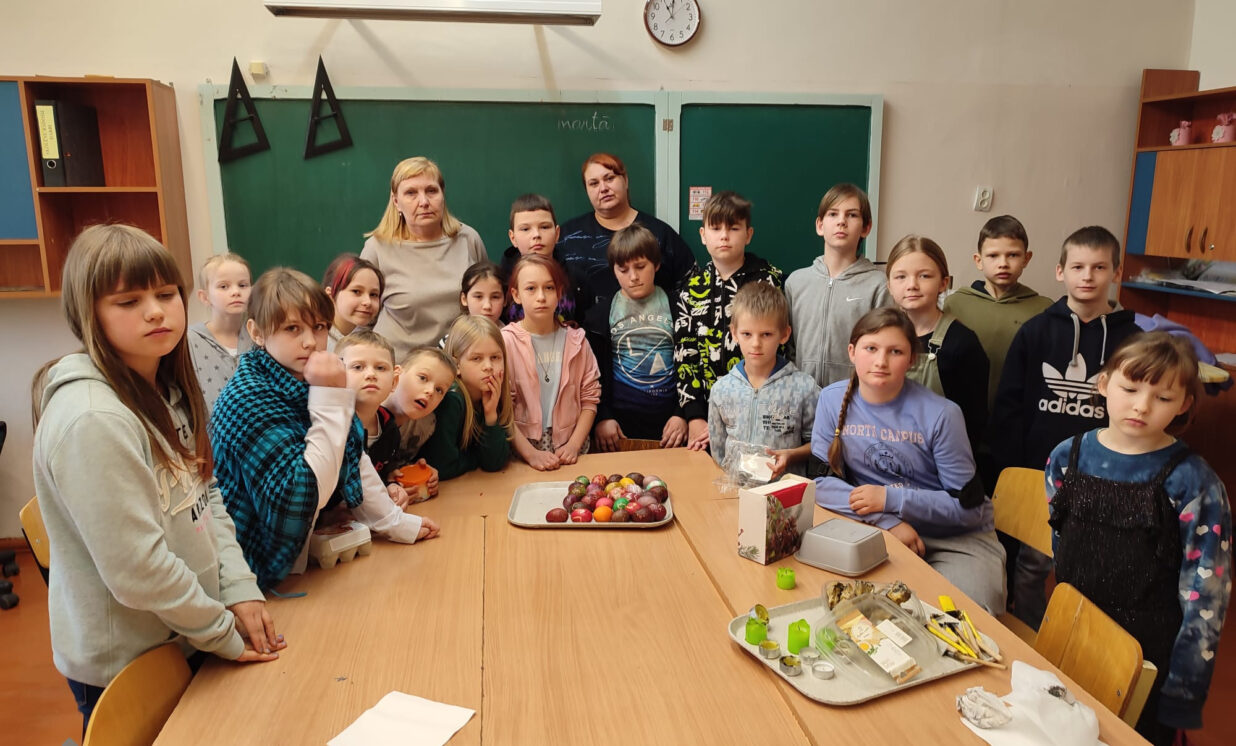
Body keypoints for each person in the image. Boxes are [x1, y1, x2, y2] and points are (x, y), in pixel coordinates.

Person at [31, 224, 283, 732]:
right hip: (131, 659)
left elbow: (205, 494)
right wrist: (219, 630)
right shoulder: (93, 420)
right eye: (128, 301)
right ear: (89, 313)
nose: (154, 311)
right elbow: (137, 571)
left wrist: (238, 586)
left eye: (165, 295)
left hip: (185, 629)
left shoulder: (164, 386)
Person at [1045, 332, 1231, 745]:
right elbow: (1059, 541)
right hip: (1075, 627)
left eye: (1163, 397)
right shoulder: (1065, 456)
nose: (1142, 406)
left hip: (1148, 651)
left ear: (1184, 404)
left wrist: (1183, 689)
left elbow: (1206, 595)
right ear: (1103, 383)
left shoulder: (1194, 482)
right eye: (1130, 389)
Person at [211, 267, 439, 590]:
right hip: (250, 574)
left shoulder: (299, 376)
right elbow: (299, 499)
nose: (310, 342)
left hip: (303, 564)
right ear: (257, 332)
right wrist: (330, 397)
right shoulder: (247, 397)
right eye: (292, 328)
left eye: (319, 327)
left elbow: (351, 453)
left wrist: (395, 523)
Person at [991, 225, 1141, 628]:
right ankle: (1032, 634)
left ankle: (1082, 645)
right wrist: (1015, 467)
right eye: (1077, 267)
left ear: (1117, 272)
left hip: (1106, 478)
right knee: (1032, 565)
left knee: (1092, 571)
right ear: (1060, 272)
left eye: (1099, 267)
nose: (1087, 276)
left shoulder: (1133, 340)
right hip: (1042, 474)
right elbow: (1009, 408)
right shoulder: (1035, 331)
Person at [811, 307, 1006, 614]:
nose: (881, 361)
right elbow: (821, 484)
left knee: (964, 618)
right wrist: (887, 521)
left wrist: (890, 498)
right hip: (876, 525)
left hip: (955, 538)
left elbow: (968, 510)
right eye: (871, 348)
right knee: (854, 612)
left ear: (912, 359)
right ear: (852, 352)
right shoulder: (831, 400)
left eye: (895, 351)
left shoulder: (943, 415)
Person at [943, 214, 1052, 489]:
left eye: (1013, 255)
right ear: (978, 260)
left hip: (1016, 429)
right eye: (993, 255)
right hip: (962, 427)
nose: (1003, 263)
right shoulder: (956, 304)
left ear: (1027, 258)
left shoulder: (1043, 310)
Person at [676, 190, 783, 452]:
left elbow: (779, 348)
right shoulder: (691, 289)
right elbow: (684, 354)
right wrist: (694, 416)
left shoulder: (768, 282)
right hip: (704, 419)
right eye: (716, 228)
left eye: (733, 228)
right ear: (703, 235)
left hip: (757, 413)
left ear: (748, 234)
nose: (724, 236)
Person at [362, 156, 487, 360]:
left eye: (431, 191)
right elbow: (361, 318)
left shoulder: (468, 239)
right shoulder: (377, 248)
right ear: (396, 201)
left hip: (458, 366)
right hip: (397, 367)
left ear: (442, 194)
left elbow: (487, 304)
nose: (424, 202)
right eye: (411, 193)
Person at [884, 235, 989, 453]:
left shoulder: (962, 343)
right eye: (901, 277)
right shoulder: (880, 338)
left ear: (943, 283)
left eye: (924, 276)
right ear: (889, 286)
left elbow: (972, 424)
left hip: (939, 460)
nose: (912, 285)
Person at [585, 224, 685, 450]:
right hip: (619, 424)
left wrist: (682, 413)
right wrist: (603, 417)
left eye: (640, 267)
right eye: (623, 270)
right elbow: (592, 372)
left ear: (656, 264)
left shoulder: (680, 307)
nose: (633, 277)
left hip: (671, 422)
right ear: (614, 270)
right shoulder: (599, 316)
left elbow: (692, 362)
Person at [556, 152, 696, 312]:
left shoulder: (659, 234)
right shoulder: (567, 237)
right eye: (594, 183)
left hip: (653, 325)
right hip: (584, 327)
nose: (603, 188)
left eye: (610, 178)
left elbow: (693, 288)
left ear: (626, 180)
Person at [785, 183, 892, 388]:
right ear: (820, 225)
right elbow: (788, 347)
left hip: (854, 396)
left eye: (852, 215)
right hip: (802, 398)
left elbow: (882, 348)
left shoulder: (878, 286)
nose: (841, 221)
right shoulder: (796, 283)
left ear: (866, 228)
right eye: (833, 214)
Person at [708, 282, 818, 478]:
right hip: (734, 491)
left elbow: (819, 444)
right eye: (747, 334)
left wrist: (791, 456)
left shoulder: (804, 387)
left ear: (784, 334)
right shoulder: (721, 390)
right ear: (734, 333)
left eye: (766, 334)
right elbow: (718, 452)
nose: (756, 344)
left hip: (784, 492)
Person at [502, 255, 601, 471]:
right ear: (516, 295)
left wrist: (573, 445)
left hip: (572, 449)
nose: (541, 297)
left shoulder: (577, 341)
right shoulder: (505, 342)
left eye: (549, 288)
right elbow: (502, 408)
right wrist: (531, 454)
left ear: (559, 292)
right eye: (531, 289)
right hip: (522, 451)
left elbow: (590, 399)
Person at [421, 315, 514, 480]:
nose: (488, 367)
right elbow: (443, 467)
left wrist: (491, 415)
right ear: (456, 365)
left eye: (495, 357)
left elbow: (494, 463)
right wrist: (476, 458)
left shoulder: (492, 392)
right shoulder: (451, 400)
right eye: (476, 358)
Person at [336, 330, 407, 502]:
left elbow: (381, 476)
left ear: (394, 381)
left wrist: (391, 487)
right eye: (358, 367)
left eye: (380, 368)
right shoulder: (333, 426)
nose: (371, 375)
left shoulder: (390, 428)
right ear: (337, 376)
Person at [380, 346, 461, 496]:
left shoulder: (425, 425)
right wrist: (385, 489)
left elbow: (392, 468)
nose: (430, 391)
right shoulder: (367, 417)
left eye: (439, 390)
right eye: (423, 378)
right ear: (396, 374)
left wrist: (418, 471)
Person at [500, 193, 581, 323]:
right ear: (513, 238)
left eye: (544, 227)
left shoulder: (575, 277)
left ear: (557, 234)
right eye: (525, 229)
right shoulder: (501, 281)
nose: (536, 235)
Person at [187, 252, 254, 411]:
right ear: (204, 297)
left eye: (243, 285)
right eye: (224, 286)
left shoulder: (259, 338)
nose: (236, 292)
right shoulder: (189, 341)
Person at [321, 254, 383, 351]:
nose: (368, 302)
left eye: (373, 294)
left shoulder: (369, 342)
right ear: (330, 295)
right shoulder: (317, 341)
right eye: (356, 291)